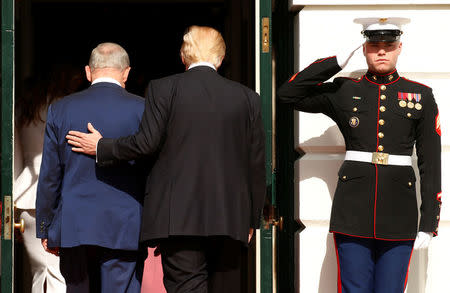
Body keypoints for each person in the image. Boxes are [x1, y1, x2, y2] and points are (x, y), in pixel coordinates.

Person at [66, 25, 266, 293]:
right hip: (231, 217)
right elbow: (256, 163)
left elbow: (146, 143)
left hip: (178, 217)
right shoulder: (247, 98)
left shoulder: (164, 88)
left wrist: (103, 147)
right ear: (221, 58)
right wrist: (252, 219)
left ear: (183, 56)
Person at [277, 17, 441, 293]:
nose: (381, 51)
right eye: (374, 44)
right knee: (353, 289)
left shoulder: (420, 96)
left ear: (399, 47)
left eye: (388, 45)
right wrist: (336, 61)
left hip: (399, 212)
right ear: (364, 48)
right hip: (352, 210)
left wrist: (429, 223)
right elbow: (287, 94)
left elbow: (430, 161)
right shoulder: (345, 90)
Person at [36, 42, 147, 293]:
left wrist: (47, 226)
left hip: (75, 225)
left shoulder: (60, 109)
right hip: (125, 225)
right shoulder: (143, 109)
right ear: (126, 73)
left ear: (88, 72)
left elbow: (50, 176)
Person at [14, 66, 84, 293]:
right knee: (59, 272)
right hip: (59, 196)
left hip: (26, 198)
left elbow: (14, 158)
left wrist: (12, 200)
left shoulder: (23, 110)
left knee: (41, 272)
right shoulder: (67, 107)